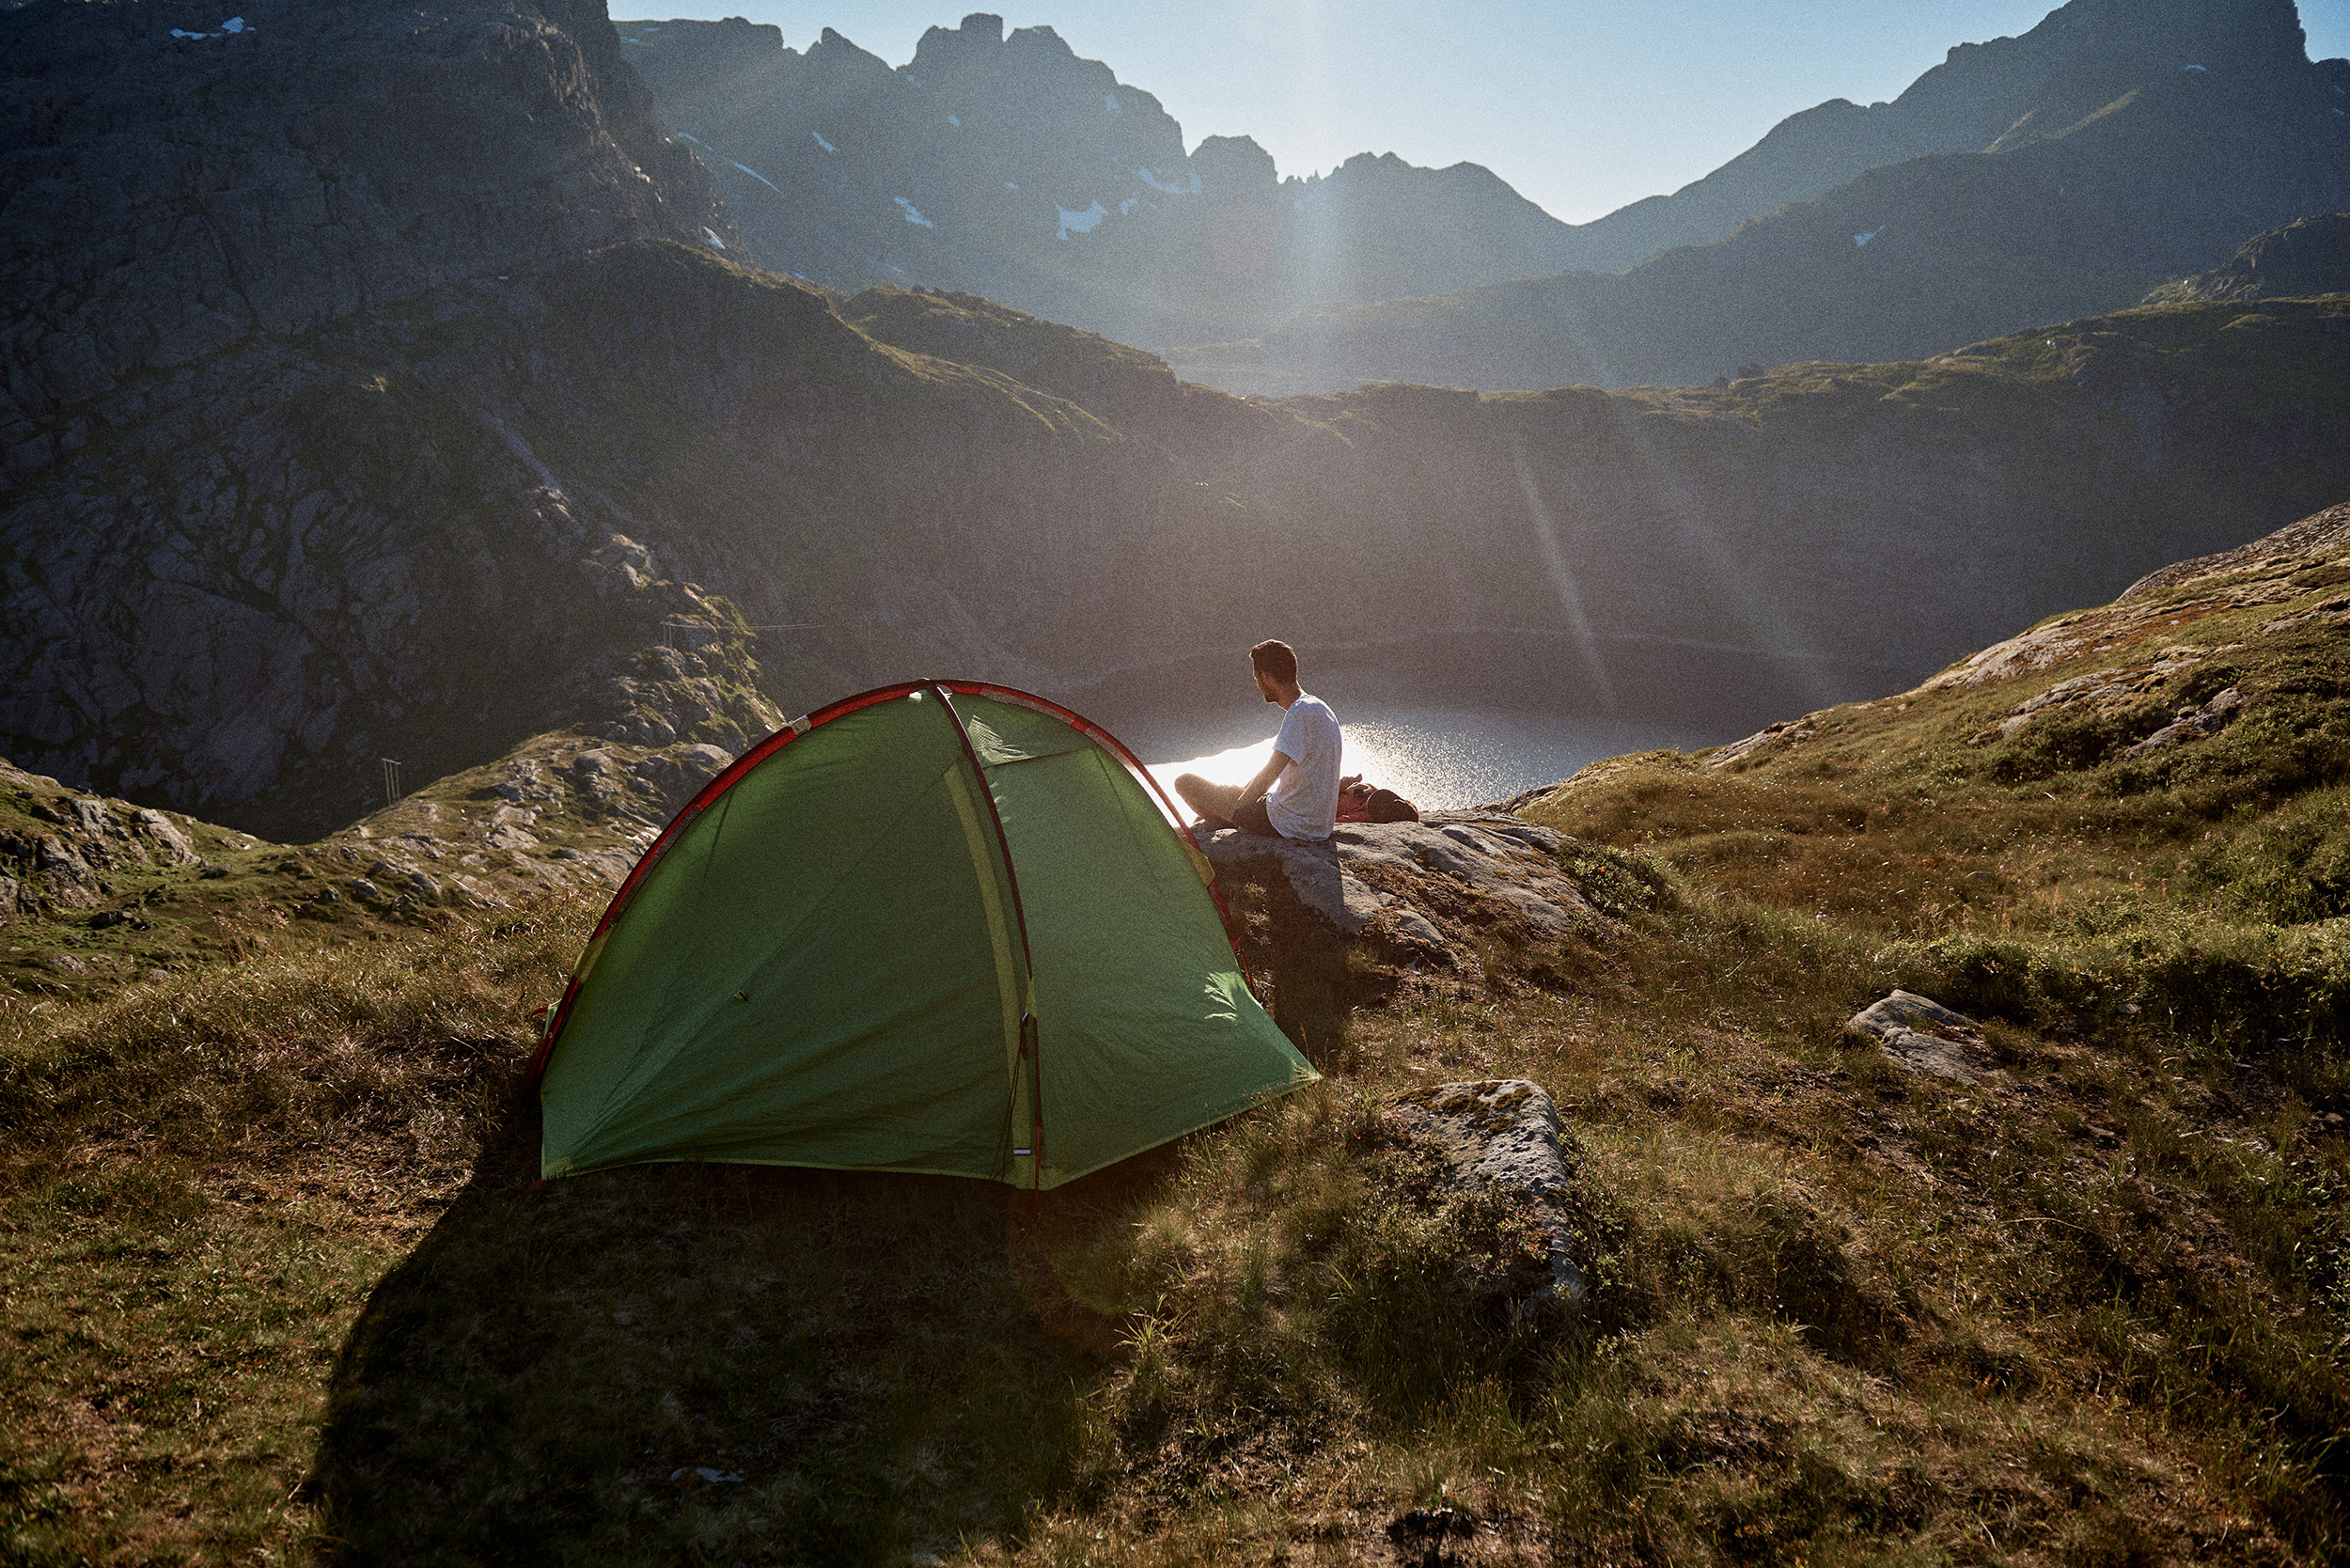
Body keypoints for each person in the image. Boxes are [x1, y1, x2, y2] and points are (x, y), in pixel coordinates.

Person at [1174, 640, 1341, 841]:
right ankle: (1219, 820)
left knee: (1185, 782)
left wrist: (1239, 811)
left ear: (1266, 676)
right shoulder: (1320, 708)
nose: (1258, 685)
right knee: (1229, 798)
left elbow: (1270, 773)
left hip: (1287, 823)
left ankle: (1223, 822)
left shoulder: (1301, 711)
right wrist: (1240, 797)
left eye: (1257, 678)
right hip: (1316, 825)